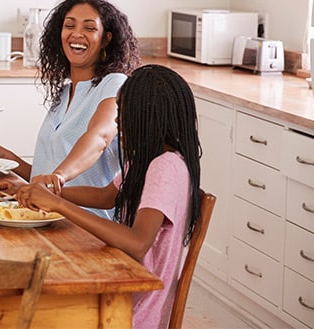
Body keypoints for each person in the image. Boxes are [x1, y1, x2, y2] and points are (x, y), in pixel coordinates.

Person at [15, 64, 203, 329]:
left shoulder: (166, 167)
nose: (117, 123)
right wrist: (47, 192)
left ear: (146, 118)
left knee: (34, 310)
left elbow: (138, 243)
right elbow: (106, 197)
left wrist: (58, 204)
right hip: (123, 287)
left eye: (123, 116)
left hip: (134, 309)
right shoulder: (147, 159)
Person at [0, 0, 140, 219]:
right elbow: (45, 178)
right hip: (49, 217)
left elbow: (100, 138)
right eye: (69, 25)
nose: (77, 34)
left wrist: (58, 176)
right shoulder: (65, 93)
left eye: (89, 28)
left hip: (88, 227)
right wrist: (5, 157)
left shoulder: (115, 84)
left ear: (106, 39)